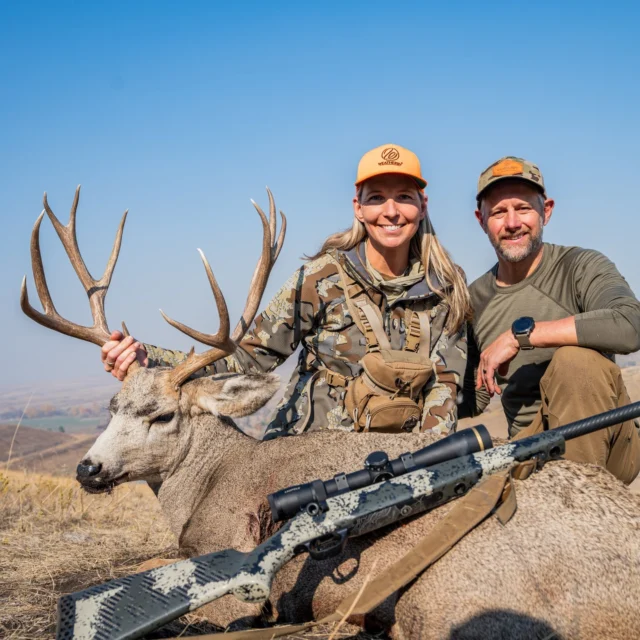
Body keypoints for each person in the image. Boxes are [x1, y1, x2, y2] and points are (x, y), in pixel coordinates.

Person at [101, 143, 471, 437]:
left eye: (404, 197)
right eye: (376, 198)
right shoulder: (319, 278)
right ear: (358, 208)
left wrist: (425, 456)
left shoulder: (447, 288)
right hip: (306, 451)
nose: (391, 211)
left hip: (399, 453)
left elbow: (445, 385)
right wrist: (149, 358)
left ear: (422, 206)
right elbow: (246, 360)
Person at [459, 156, 640, 484]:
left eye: (524, 208)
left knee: (576, 362)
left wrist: (522, 336)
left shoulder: (580, 266)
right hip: (526, 448)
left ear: (547, 211)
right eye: (499, 212)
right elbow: (473, 396)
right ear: (481, 219)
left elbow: (630, 324)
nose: (512, 223)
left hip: (608, 442)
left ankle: (580, 506)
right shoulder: (475, 299)